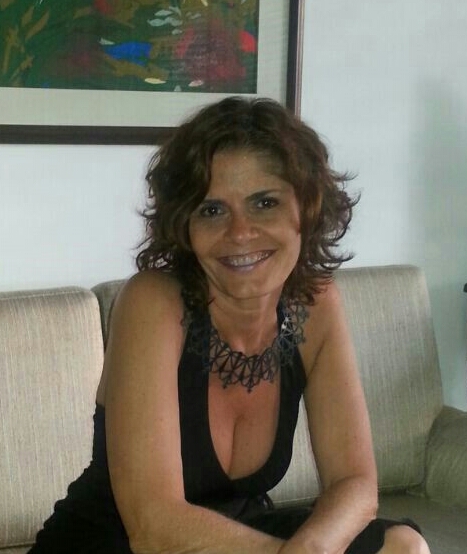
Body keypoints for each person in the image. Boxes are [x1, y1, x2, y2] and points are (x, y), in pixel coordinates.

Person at [28, 96, 430, 554]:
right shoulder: (154, 302)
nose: (239, 232)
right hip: (115, 545)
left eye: (264, 202)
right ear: (185, 225)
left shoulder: (315, 305)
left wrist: (313, 548)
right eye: (212, 210)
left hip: (238, 537)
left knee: (402, 545)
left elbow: (354, 484)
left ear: (308, 209)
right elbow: (154, 527)